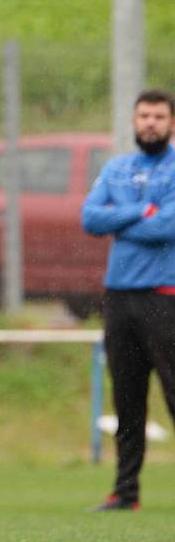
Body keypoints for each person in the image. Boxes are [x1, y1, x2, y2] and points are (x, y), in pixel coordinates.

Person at [82, 88, 175, 512]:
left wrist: (122, 221)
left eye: (158, 116)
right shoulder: (118, 169)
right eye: (144, 116)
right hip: (119, 297)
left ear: (171, 123)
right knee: (127, 397)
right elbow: (90, 217)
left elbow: (168, 228)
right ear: (134, 121)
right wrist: (142, 212)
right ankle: (126, 492)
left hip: (164, 296)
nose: (150, 123)